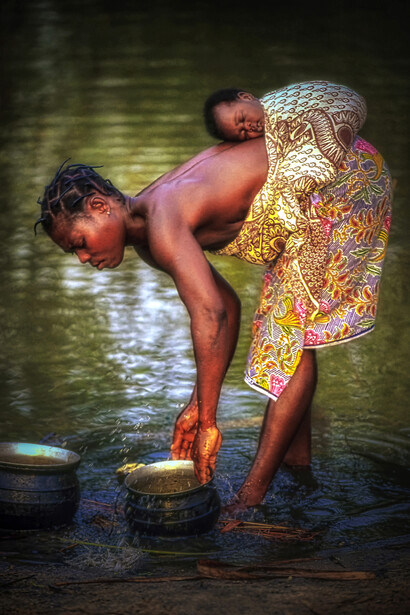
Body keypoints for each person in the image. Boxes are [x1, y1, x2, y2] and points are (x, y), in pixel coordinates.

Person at [35, 86, 391, 512]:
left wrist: (208, 422)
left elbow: (212, 313)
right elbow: (226, 306)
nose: (83, 257)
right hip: (319, 193)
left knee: (290, 341)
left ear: (99, 206)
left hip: (340, 179)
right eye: (74, 252)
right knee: (284, 334)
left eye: (80, 242)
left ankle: (250, 500)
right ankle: (298, 470)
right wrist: (197, 405)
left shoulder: (163, 219)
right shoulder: (150, 234)